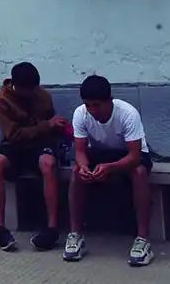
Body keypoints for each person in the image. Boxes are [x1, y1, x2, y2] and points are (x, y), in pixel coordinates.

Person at [64, 74, 154, 267]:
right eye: (88, 105)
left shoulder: (128, 114)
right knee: (75, 172)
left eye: (96, 105)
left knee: (139, 173)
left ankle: (143, 239)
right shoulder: (81, 113)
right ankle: (75, 235)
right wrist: (84, 167)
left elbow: (134, 156)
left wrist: (111, 168)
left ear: (109, 101)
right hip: (100, 153)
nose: (92, 110)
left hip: (131, 154)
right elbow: (79, 151)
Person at [0, 62, 69, 252]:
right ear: (17, 86)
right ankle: (0, 228)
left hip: (41, 144)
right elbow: (13, 134)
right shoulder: (2, 100)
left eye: (35, 88)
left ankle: (52, 228)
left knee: (47, 163)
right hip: (14, 145)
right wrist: (46, 125)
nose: (33, 92)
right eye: (29, 90)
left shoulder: (43, 96)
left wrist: (57, 128)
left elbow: (50, 126)